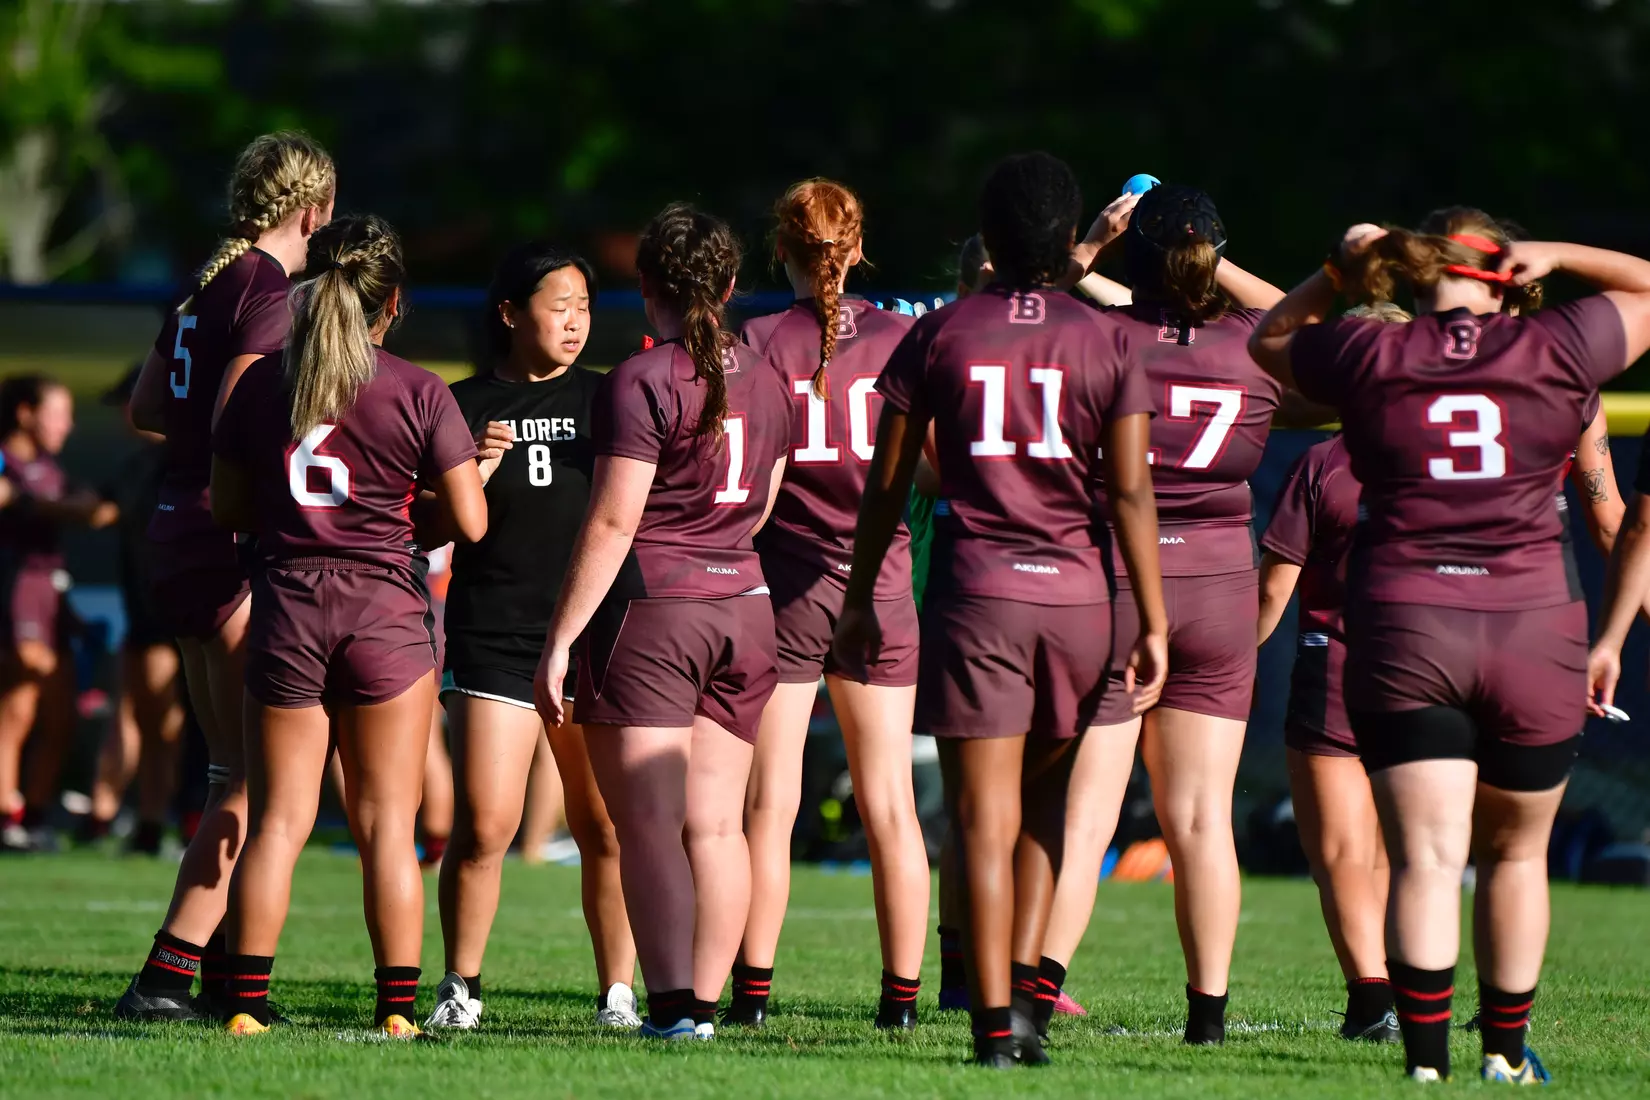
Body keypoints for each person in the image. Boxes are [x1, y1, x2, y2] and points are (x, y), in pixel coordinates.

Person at [1249, 208, 1650, 1083]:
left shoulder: (1375, 353)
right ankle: (1504, 1053)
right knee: (1514, 854)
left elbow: (1272, 339)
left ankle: (1426, 1063)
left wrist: (1341, 269)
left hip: (1409, 625)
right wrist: (1565, 253)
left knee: (1425, 859)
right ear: (1503, 272)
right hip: (1533, 628)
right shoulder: (1557, 347)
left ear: (1417, 267)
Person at [834, 152, 1167, 1068]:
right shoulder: (1109, 339)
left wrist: (861, 597)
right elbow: (1132, 494)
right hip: (1079, 599)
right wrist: (1154, 617)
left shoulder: (939, 333)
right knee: (1042, 815)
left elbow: (887, 483)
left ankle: (989, 1025)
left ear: (987, 237)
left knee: (980, 819)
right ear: (1068, 240)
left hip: (979, 594)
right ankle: (1023, 1010)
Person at [210, 214, 486, 1037]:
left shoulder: (262, 383)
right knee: (385, 827)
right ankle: (397, 1013)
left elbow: (228, 507)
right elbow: (468, 523)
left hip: (289, 606)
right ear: (392, 303)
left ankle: (245, 1008)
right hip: (384, 615)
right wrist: (410, 510)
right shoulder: (417, 388)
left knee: (280, 822)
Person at [534, 203, 790, 1041]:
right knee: (717, 824)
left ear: (648, 289)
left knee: (647, 827)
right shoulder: (770, 377)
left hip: (658, 611)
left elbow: (612, 522)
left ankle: (674, 1008)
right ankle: (703, 1010)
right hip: (748, 609)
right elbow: (759, 511)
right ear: (727, 285)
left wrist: (562, 639)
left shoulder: (641, 380)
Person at [1041, 184, 1289, 1046]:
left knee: (1089, 812)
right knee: (1200, 817)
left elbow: (1024, 303)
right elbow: (1325, 321)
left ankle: (1040, 989)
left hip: (1118, 578)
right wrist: (1215, 265)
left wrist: (1092, 250)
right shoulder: (1259, 346)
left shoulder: (1101, 336)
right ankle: (1209, 1017)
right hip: (1220, 583)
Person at [117, 131, 335, 1020]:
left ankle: (205, 977)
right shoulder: (265, 287)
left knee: (228, 774)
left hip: (172, 523)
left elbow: (142, 409)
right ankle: (168, 978)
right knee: (261, 781)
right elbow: (242, 408)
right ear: (314, 209)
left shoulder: (207, 284)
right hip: (221, 531)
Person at [725, 179, 929, 1031]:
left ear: (785, 250)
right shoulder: (903, 336)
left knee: (770, 803)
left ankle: (753, 996)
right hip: (877, 580)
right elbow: (930, 469)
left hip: (785, 580)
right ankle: (901, 1001)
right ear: (856, 247)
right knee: (889, 799)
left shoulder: (760, 337)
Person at [428, 243, 638, 1032]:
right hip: (495, 634)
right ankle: (461, 987)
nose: (575, 320)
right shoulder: (460, 402)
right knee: (485, 825)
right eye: (558, 304)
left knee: (604, 828)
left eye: (584, 304)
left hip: (594, 637)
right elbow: (426, 527)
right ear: (511, 313)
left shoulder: (613, 398)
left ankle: (618, 993)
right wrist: (474, 471)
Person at [1254, 302, 1411, 1045]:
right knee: (1408, 848)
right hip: (1434, 668)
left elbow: (1271, 594)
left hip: (1339, 666)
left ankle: (1373, 997)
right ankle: (1433, 987)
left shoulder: (1324, 462)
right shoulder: (1450, 456)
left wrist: (1218, 662)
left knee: (1344, 852)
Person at [0, 376, 115, 851]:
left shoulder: (50, 469)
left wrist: (56, 507)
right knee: (18, 708)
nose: (67, 425)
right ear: (26, 413)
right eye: (58, 413)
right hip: (16, 590)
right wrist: (58, 508)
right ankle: (7, 817)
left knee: (61, 716)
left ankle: (37, 815)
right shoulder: (6, 461)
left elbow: (91, 509)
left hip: (53, 595)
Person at [83, 364, 187, 853]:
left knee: (161, 724)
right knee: (143, 718)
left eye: (129, 402)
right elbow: (96, 509)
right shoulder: (139, 465)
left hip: (174, 614)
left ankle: (152, 822)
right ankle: (138, 823)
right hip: (150, 614)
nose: (126, 415)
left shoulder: (180, 460)